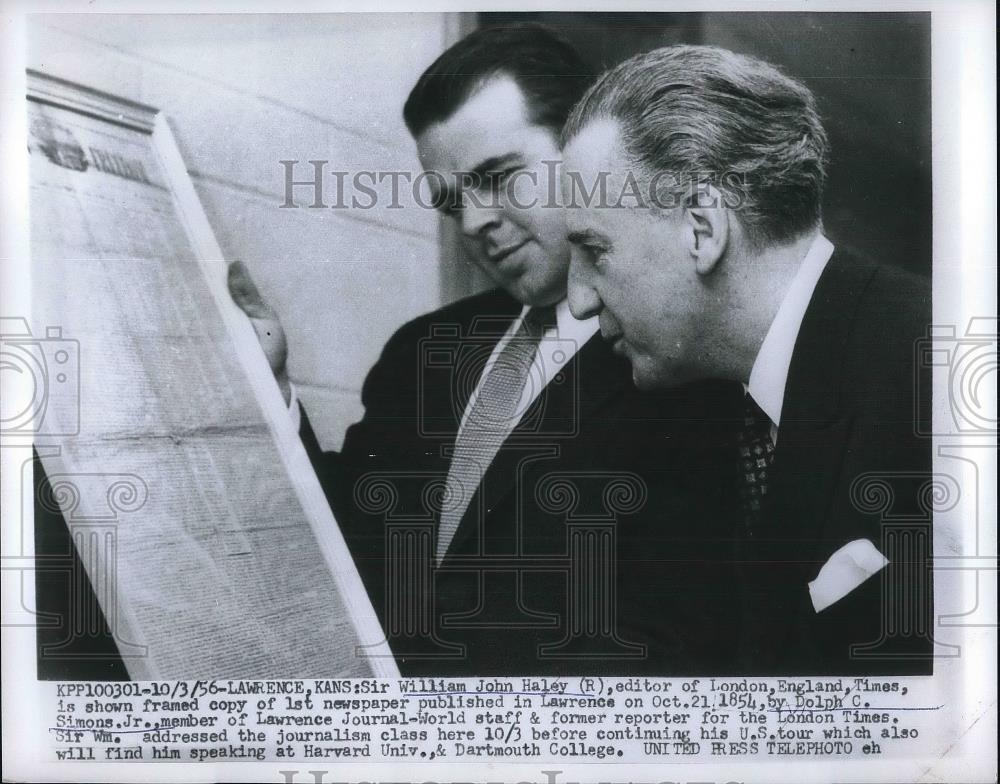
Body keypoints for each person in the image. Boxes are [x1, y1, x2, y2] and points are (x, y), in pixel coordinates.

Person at [231, 25, 743, 676]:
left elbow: (681, 642)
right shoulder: (422, 352)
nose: (474, 222)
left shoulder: (686, 359)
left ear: (588, 150)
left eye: (499, 177)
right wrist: (272, 390)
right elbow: (346, 550)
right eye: (452, 202)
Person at [558, 44, 933, 674]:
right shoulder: (717, 422)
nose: (576, 299)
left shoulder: (944, 373)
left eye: (594, 250)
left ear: (702, 229)